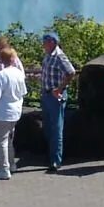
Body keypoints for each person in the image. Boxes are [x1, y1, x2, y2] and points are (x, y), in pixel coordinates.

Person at [0, 46, 28, 179]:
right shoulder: (19, 73)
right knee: (10, 139)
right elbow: (23, 92)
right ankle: (12, 164)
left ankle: (4, 169)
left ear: (1, 59)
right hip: (16, 111)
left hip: (3, 112)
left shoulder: (1, 75)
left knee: (1, 141)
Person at [40, 32, 77, 171]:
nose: (43, 43)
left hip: (55, 97)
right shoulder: (48, 55)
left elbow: (71, 72)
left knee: (56, 128)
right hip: (46, 95)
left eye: (45, 41)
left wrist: (60, 89)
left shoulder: (59, 56)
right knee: (48, 128)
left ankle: (56, 160)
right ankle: (50, 156)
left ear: (53, 42)